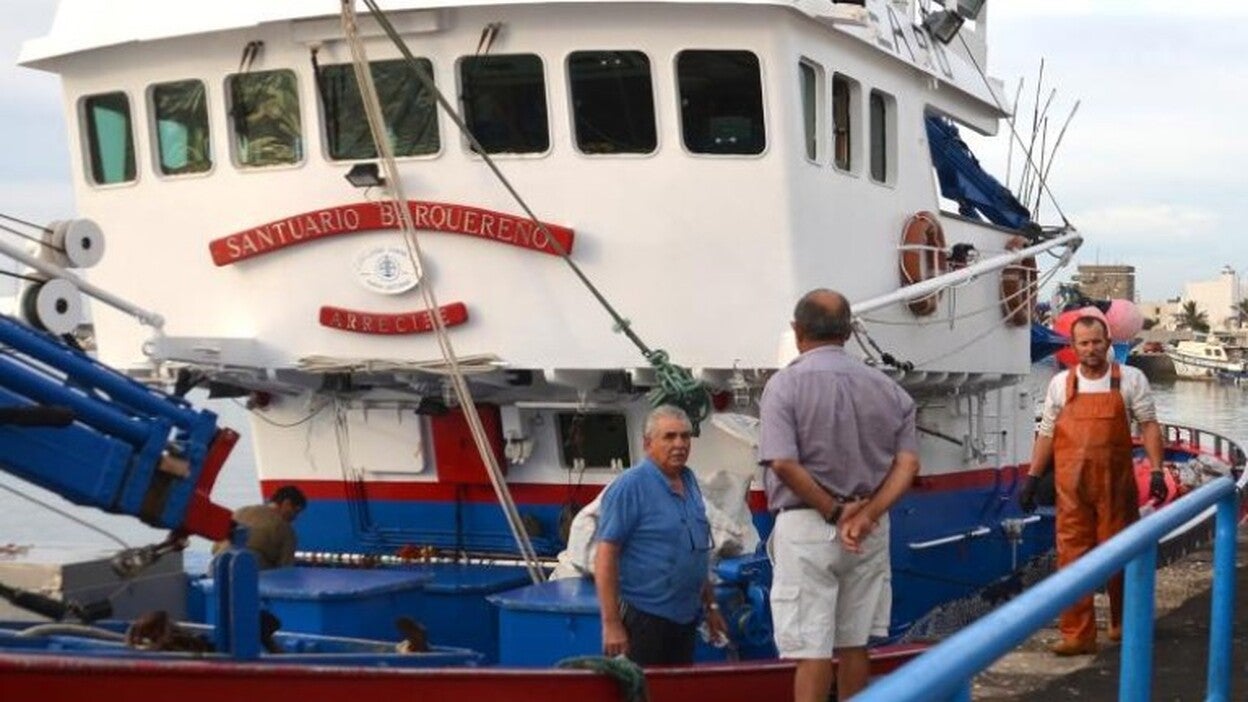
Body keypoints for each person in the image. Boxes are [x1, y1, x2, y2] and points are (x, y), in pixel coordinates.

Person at [759, 288, 920, 702]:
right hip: (869, 528)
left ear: (797, 331)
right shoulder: (890, 390)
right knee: (855, 643)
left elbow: (782, 463)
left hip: (808, 526)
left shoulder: (783, 386)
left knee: (810, 648)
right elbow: (907, 465)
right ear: (848, 331)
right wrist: (866, 516)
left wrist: (834, 511)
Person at [1019, 315, 1166, 656]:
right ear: (1073, 348)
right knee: (1071, 558)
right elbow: (1047, 433)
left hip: (1115, 486)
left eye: (1097, 341)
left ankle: (1122, 624)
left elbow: (1148, 425)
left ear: (1108, 342)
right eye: (1083, 343)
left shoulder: (1131, 379)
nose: (1091, 348)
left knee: (1120, 555)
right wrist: (1032, 477)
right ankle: (1078, 634)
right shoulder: (1060, 384)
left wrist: (1157, 470)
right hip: (1071, 489)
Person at [593, 405, 728, 666]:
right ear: (647, 443)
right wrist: (611, 624)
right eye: (669, 437)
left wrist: (711, 607)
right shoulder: (630, 486)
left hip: (685, 619)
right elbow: (605, 555)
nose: (680, 444)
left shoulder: (689, 481)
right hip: (643, 619)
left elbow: (696, 552)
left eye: (685, 436)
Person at [212, 485, 307, 570]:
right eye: (296, 511)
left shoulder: (240, 512)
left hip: (216, 569)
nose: (295, 517)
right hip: (250, 577)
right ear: (286, 504)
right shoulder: (286, 531)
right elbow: (285, 570)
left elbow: (214, 549)